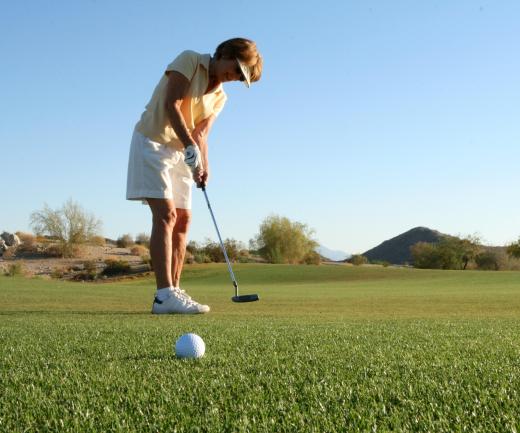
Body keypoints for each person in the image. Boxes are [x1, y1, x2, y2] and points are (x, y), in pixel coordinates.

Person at [126, 38, 263, 314]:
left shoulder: (221, 97)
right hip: (153, 141)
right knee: (166, 215)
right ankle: (164, 295)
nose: (234, 77)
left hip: (181, 151)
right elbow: (171, 104)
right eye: (236, 69)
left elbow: (202, 134)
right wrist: (190, 146)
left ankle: (174, 290)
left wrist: (204, 166)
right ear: (224, 53)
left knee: (184, 219)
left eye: (241, 77)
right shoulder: (190, 60)